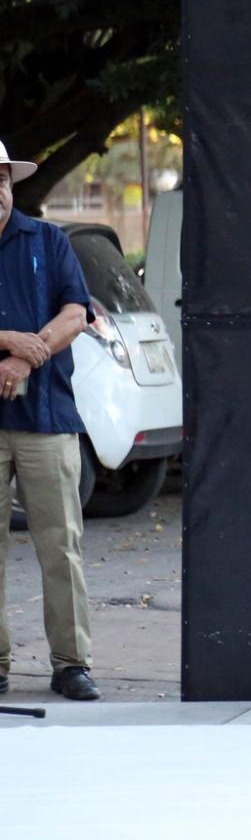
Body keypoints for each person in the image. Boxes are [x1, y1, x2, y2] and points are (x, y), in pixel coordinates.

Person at [0, 139, 100, 702]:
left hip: (47, 415)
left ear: (12, 185)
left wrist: (26, 351)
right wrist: (3, 339)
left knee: (61, 546)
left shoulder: (48, 240)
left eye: (1, 178)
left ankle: (71, 664)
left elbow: (76, 311)